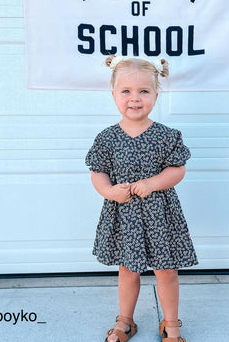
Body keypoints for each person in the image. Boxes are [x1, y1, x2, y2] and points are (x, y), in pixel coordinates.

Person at [85, 55, 198, 342]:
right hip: (124, 215)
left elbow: (177, 169)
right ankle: (125, 320)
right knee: (127, 271)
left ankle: (171, 323)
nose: (135, 99)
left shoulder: (167, 135)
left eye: (144, 91)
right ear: (113, 95)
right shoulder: (107, 138)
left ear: (156, 95)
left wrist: (153, 183)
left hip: (160, 213)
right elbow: (97, 173)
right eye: (126, 91)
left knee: (166, 271)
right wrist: (110, 191)